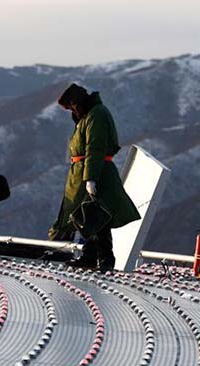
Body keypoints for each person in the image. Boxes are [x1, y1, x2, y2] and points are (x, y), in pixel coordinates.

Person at [49, 83, 140, 273]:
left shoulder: (96, 115)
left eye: (72, 107)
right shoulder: (89, 115)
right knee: (90, 217)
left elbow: (95, 148)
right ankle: (90, 256)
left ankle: (105, 259)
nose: (72, 111)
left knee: (97, 216)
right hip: (86, 171)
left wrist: (90, 178)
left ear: (77, 103)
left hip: (97, 172)